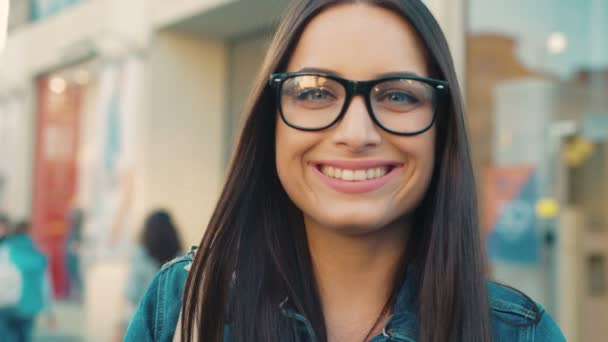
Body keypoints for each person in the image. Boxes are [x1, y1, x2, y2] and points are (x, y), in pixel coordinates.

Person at [125, 1, 565, 341]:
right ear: (270, 120)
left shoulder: (519, 332)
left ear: (442, 128)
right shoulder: (184, 304)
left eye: (398, 96)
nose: (356, 133)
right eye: (315, 92)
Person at [0, 220, 52, 342]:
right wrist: (49, 310)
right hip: (28, 305)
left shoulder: (5, 251)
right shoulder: (38, 256)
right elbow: (45, 285)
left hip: (4, 304)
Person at [124, 210, 183, 318]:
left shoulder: (139, 256)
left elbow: (132, 293)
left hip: (143, 319)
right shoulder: (181, 258)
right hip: (172, 321)